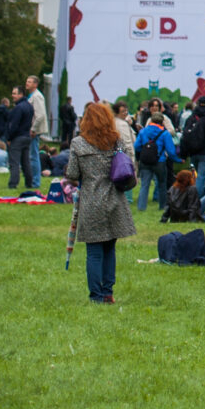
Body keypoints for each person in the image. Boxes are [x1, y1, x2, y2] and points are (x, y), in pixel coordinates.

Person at [66, 99, 136, 305]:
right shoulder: (116, 141)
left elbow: (72, 173)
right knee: (109, 249)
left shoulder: (78, 143)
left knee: (94, 252)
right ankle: (107, 292)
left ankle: (95, 296)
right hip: (114, 200)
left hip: (91, 201)